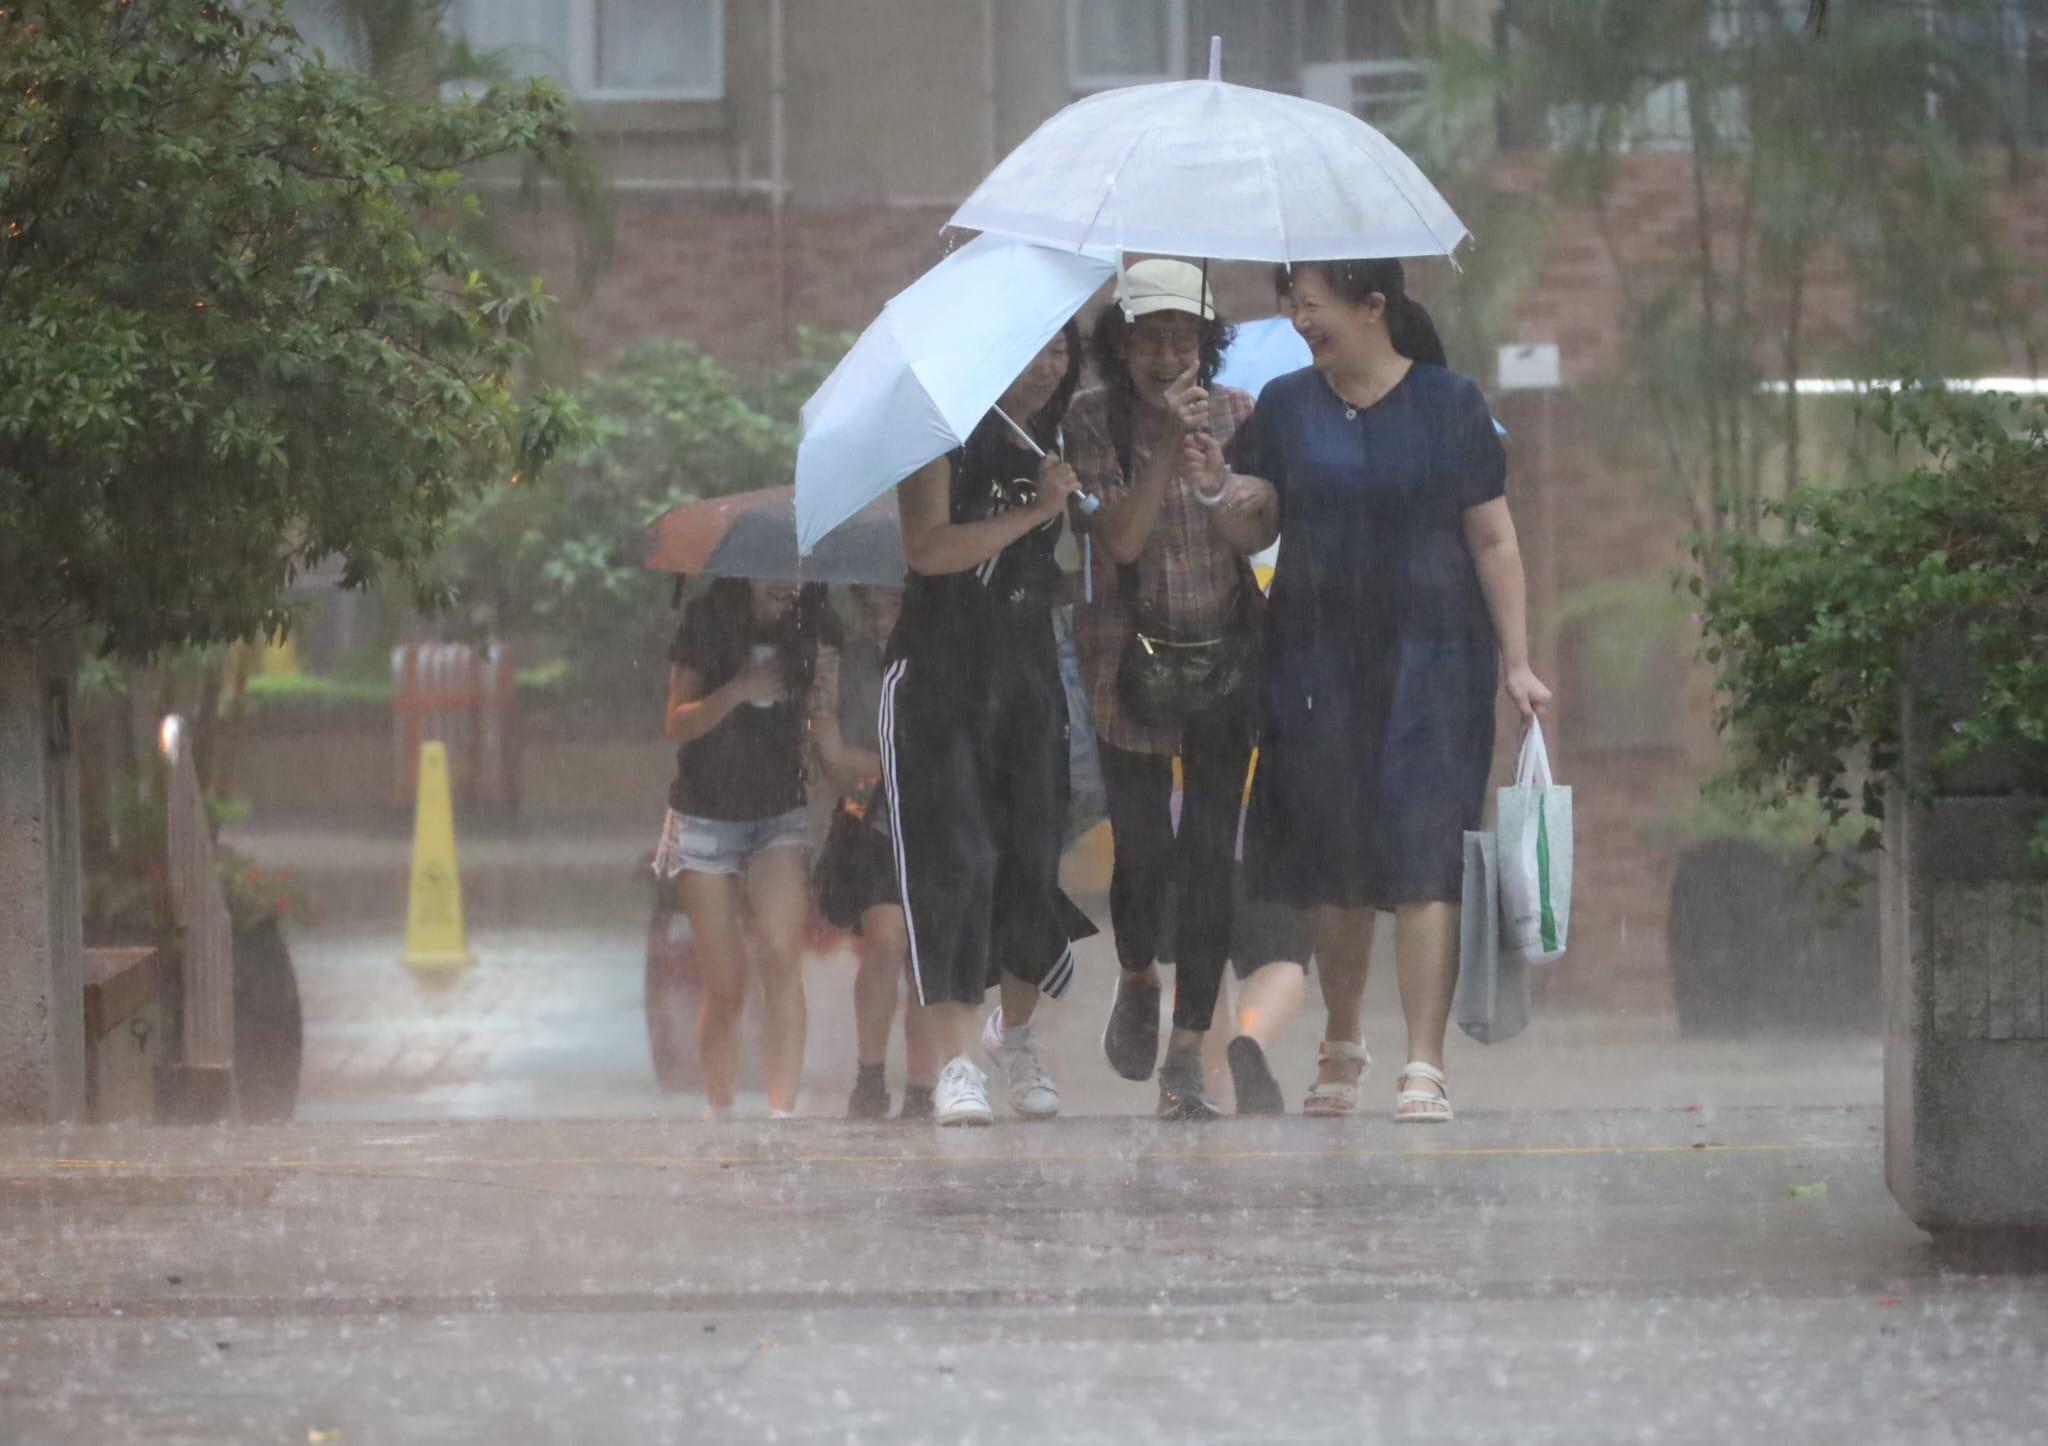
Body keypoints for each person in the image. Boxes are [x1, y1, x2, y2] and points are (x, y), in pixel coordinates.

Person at [1215, 258, 1552, 1122]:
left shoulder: (1450, 403)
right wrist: (1218, 483)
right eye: (1291, 303)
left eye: (1313, 302)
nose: (1299, 319)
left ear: (1373, 306)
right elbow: (1251, 527)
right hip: (1316, 661)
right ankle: (1342, 1039)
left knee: (1425, 852)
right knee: (1339, 861)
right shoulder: (1286, 406)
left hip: (1435, 660)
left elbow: (1493, 543)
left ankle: (1425, 1064)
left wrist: (1517, 661)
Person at [1065, 259, 1271, 1119]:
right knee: (1144, 852)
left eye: (1183, 338)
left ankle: (1188, 1051)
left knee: (1211, 857)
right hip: (1126, 661)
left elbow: (1258, 532)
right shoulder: (1091, 420)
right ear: (1121, 344)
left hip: (1223, 657)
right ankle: (1139, 973)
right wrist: (1157, 456)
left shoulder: (1237, 416)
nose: (1166, 355)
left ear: (1206, 344)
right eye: (1150, 338)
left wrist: (1216, 476)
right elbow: (1118, 538)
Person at [880, 322, 1092, 1127]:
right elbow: (929, 547)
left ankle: (1019, 1040)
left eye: (1057, 349)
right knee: (955, 865)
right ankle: (956, 1064)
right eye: (1026, 348)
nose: (1044, 365)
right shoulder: (935, 432)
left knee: (1029, 869)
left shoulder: (1057, 440)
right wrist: (1037, 509)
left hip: (1027, 674)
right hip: (938, 677)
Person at [655, 578, 837, 1121]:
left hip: (777, 811)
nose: (786, 587)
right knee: (727, 982)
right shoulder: (707, 620)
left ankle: (782, 1113)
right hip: (704, 815)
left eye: (795, 573)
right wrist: (737, 688)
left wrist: (821, 696)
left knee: (781, 955)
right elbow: (676, 723)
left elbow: (825, 727)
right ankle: (722, 1107)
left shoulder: (815, 624)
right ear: (748, 573)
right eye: (773, 575)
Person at [809, 584, 939, 1121]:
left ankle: (922, 1086)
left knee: (927, 956)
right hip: (876, 826)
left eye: (892, 605)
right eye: (870, 607)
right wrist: (890, 767)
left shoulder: (943, 658)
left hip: (936, 827)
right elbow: (833, 760)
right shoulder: (848, 665)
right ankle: (869, 1073)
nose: (880, 618)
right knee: (887, 940)